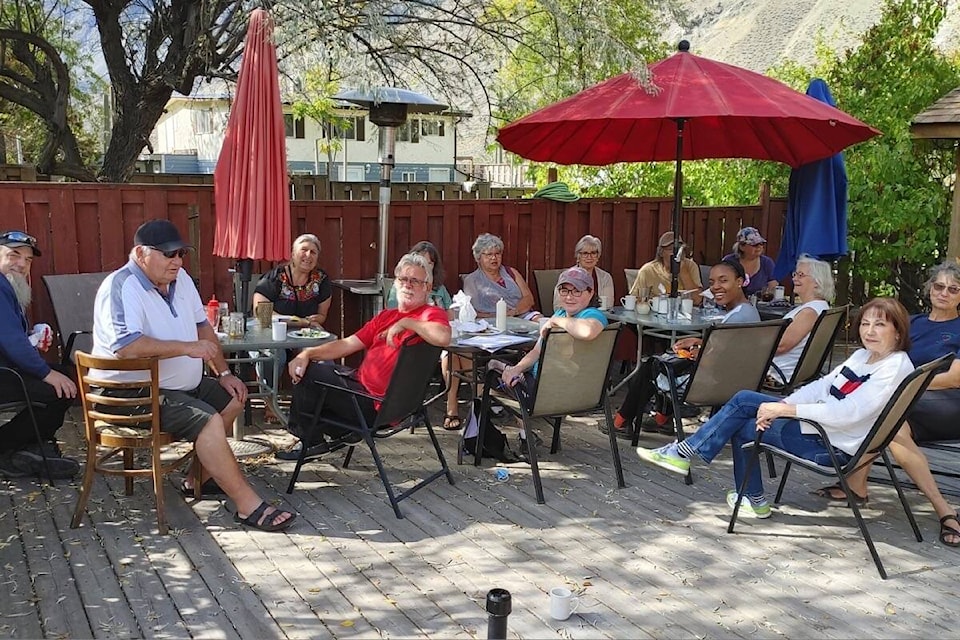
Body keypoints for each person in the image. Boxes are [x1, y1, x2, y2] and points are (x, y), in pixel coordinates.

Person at [91, 219, 296, 532]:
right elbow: (127, 347)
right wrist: (185, 348)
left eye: (181, 254)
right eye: (168, 254)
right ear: (140, 254)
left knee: (233, 397)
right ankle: (247, 506)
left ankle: (195, 479)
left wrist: (224, 372)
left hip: (176, 387)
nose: (177, 261)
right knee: (208, 419)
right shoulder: (121, 287)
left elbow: (202, 327)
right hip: (131, 391)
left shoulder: (181, 279)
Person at [636, 297, 915, 520]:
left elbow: (848, 412)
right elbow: (821, 387)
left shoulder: (894, 366)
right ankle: (749, 497)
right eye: (865, 324)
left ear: (898, 330)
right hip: (822, 431)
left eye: (879, 325)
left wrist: (784, 411)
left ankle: (688, 453)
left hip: (832, 446)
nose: (869, 331)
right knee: (743, 418)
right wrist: (780, 405)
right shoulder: (863, 356)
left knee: (744, 402)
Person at [819, 262, 960, 547]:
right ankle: (941, 509)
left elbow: (953, 378)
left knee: (884, 414)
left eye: (953, 289)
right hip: (904, 401)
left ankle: (862, 486)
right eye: (938, 286)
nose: (944, 293)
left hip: (947, 403)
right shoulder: (914, 323)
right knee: (891, 424)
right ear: (929, 289)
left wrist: (905, 384)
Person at [283, 253, 451, 458]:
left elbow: (443, 337)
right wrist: (308, 353)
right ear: (396, 284)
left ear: (427, 286)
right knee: (315, 367)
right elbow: (348, 344)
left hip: (375, 406)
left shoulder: (429, 314)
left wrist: (407, 323)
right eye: (403, 279)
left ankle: (312, 442)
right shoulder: (386, 316)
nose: (408, 285)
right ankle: (341, 432)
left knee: (308, 374)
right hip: (363, 390)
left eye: (415, 281)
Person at [607, 259, 759, 439]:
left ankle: (621, 421)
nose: (716, 287)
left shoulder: (737, 319)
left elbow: (710, 361)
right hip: (735, 381)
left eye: (723, 280)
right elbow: (729, 349)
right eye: (711, 283)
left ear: (739, 282)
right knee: (668, 360)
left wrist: (696, 353)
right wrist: (700, 341)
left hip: (708, 385)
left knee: (653, 366)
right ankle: (662, 420)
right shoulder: (748, 312)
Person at [489, 267, 608, 456]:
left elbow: (587, 332)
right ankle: (507, 370)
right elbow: (536, 352)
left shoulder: (592, 315)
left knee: (488, 378)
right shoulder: (561, 315)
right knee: (508, 371)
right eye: (564, 290)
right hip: (565, 391)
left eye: (576, 291)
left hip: (548, 394)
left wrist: (554, 322)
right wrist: (518, 367)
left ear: (590, 292)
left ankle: (520, 435)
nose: (570, 297)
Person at [0, 230, 80, 479]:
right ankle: (10, 448)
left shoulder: (8, 286)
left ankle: (31, 448)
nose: (22, 264)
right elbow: (11, 340)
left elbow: (12, 337)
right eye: (14, 255)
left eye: (28, 260)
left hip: (7, 368)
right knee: (58, 390)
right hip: (3, 373)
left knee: (63, 377)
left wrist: (33, 338)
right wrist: (44, 373)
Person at [384, 241, 462, 432]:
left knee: (456, 355)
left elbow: (449, 313)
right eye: (421, 261)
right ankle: (484, 396)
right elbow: (396, 314)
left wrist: (451, 313)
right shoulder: (402, 287)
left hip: (440, 338)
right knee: (453, 356)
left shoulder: (440, 289)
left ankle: (457, 405)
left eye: (430, 263)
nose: (425, 266)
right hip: (413, 339)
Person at [767, 254, 834, 385]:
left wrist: (751, 347)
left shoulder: (809, 313)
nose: (794, 279)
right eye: (795, 274)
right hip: (792, 373)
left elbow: (780, 346)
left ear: (817, 281)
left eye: (801, 275)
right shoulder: (821, 307)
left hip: (777, 376)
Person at [253, 233, 331, 328]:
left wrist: (313, 320)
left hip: (306, 334)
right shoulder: (275, 277)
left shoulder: (321, 279)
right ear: (293, 254)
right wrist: (301, 322)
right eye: (304, 250)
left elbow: (322, 315)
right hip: (274, 332)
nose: (308, 255)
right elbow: (261, 313)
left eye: (313, 252)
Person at [463, 233, 540, 320]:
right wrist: (500, 316)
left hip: (521, 314)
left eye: (497, 253)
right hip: (491, 319)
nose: (494, 258)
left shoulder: (511, 272)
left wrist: (514, 312)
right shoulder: (471, 280)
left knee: (542, 322)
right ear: (478, 257)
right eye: (489, 254)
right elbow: (473, 310)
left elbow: (529, 298)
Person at [629, 231, 703, 305]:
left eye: (679, 249)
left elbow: (697, 300)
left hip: (685, 314)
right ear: (661, 252)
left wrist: (683, 271)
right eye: (671, 249)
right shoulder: (648, 270)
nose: (677, 253)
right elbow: (634, 300)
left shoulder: (691, 266)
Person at [552, 235, 615, 311]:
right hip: (571, 317)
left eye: (593, 253)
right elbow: (558, 305)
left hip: (597, 317)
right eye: (585, 253)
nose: (589, 257)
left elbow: (608, 305)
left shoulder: (605, 277)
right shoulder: (566, 276)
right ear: (578, 256)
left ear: (598, 256)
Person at [723, 226, 777, 299]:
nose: (759, 247)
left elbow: (773, 286)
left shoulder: (767, 262)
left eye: (761, 244)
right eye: (754, 244)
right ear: (742, 247)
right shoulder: (729, 262)